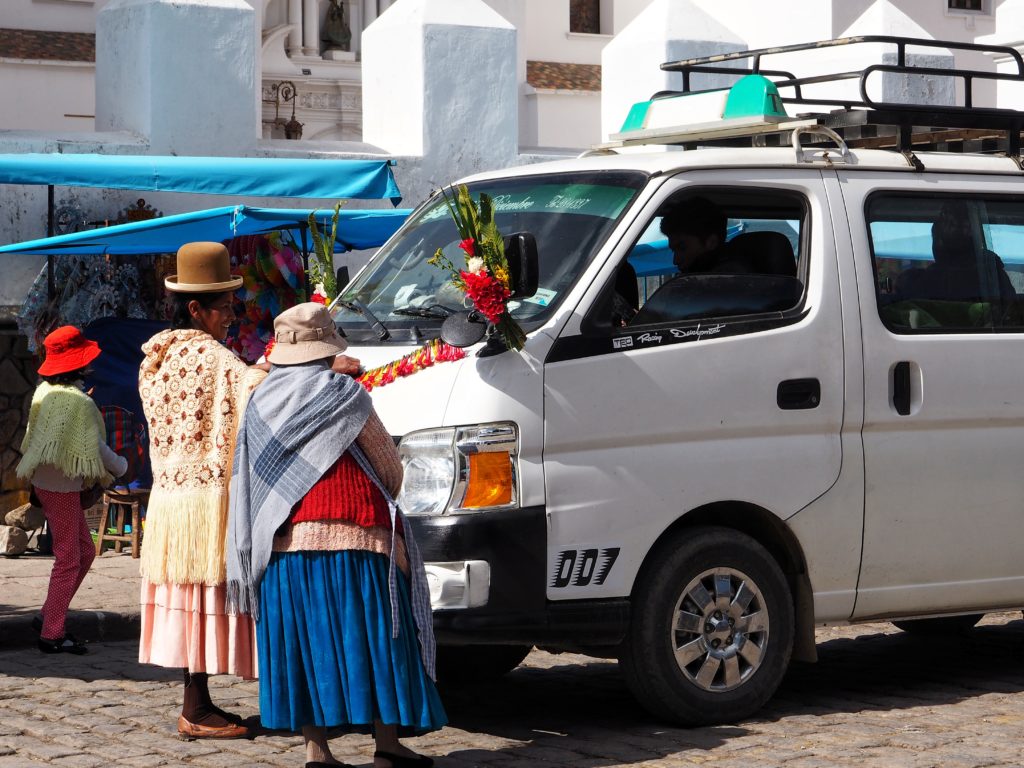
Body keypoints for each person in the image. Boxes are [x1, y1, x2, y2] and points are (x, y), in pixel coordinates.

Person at [227, 302, 446, 768]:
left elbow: (249, 479)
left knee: (305, 647)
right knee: (377, 643)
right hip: (358, 541)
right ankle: (386, 747)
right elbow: (388, 465)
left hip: (284, 547)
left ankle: (316, 751)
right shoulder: (345, 394)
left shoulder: (260, 404)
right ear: (325, 350)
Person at [137, 242, 268, 740]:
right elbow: (251, 388)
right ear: (196, 308)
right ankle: (196, 708)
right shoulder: (210, 356)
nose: (232, 317)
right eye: (225, 308)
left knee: (186, 594)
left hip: (171, 499)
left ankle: (199, 701)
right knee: (204, 594)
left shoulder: (157, 357)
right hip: (206, 500)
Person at [17, 325, 128, 655]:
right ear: (80, 365)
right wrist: (120, 466)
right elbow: (95, 448)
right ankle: (51, 634)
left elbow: (35, 437)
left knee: (85, 552)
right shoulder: (79, 402)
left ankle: (49, 614)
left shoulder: (43, 393)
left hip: (46, 484)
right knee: (69, 559)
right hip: (63, 488)